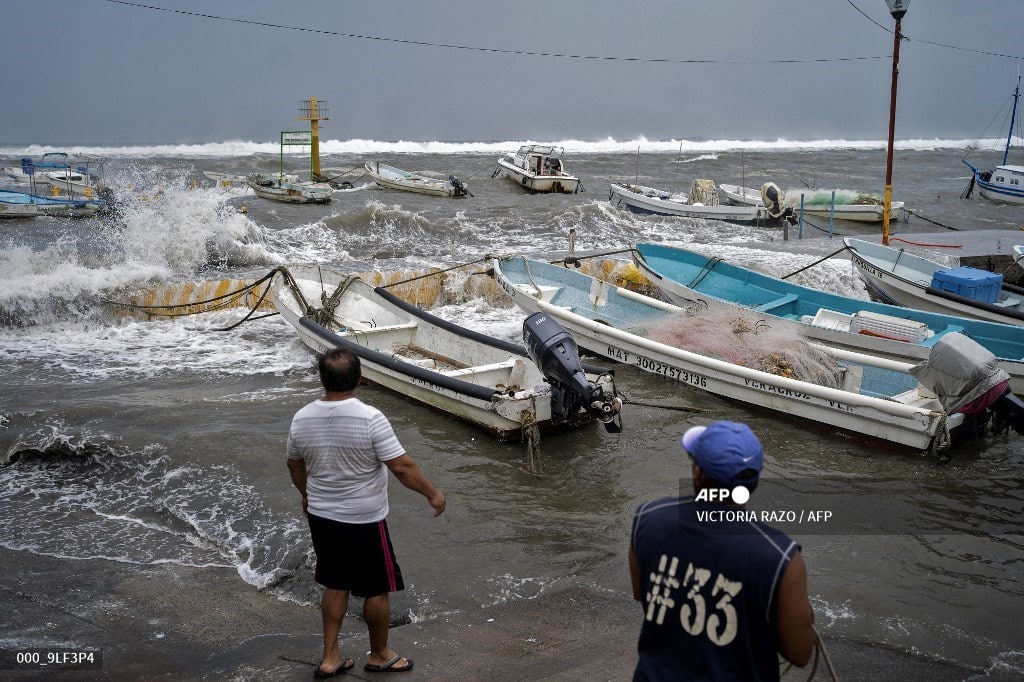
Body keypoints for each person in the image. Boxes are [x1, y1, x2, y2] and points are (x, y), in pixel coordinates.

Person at [287, 347, 446, 678]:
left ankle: (331, 658)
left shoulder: (302, 417)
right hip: (363, 520)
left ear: (322, 379)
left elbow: (294, 463)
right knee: (375, 588)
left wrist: (306, 495)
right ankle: (379, 654)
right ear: (360, 379)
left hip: (322, 517)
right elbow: (401, 467)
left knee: (335, 583)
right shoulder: (370, 418)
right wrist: (433, 494)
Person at [628, 421, 815, 681]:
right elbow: (800, 652)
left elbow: (642, 594)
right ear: (754, 481)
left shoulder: (648, 519)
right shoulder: (781, 558)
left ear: (697, 473)